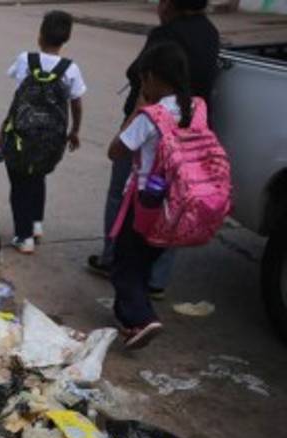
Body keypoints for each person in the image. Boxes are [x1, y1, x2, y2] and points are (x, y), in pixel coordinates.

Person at [86, 0, 219, 296]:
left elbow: (136, 73)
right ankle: (157, 279)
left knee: (122, 195)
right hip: (188, 134)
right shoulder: (211, 32)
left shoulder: (166, 35)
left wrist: (136, 112)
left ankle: (115, 261)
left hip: (151, 133)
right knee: (174, 203)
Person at [106, 42, 195, 349]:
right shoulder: (195, 108)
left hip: (145, 202)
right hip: (177, 202)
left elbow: (115, 151)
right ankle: (129, 319)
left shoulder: (151, 115)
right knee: (143, 261)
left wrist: (136, 109)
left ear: (153, 77)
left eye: (144, 80)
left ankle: (143, 319)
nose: (143, 86)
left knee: (123, 263)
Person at [3, 10, 86, 254]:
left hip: (22, 135)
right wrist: (74, 131)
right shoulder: (71, 69)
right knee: (38, 175)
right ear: (66, 38)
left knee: (19, 182)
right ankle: (36, 225)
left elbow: (15, 80)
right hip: (52, 138)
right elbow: (77, 103)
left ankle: (24, 237)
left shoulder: (25, 59)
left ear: (40, 35)